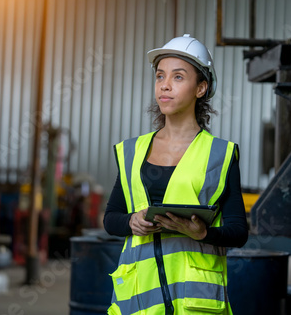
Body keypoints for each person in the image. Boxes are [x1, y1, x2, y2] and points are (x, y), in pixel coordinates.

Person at [104, 34, 248, 315]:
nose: (165, 85)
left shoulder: (220, 154)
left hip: (195, 303)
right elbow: (111, 218)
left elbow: (238, 232)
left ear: (200, 88)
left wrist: (203, 232)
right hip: (138, 302)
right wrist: (131, 222)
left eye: (178, 77)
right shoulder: (132, 151)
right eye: (160, 76)